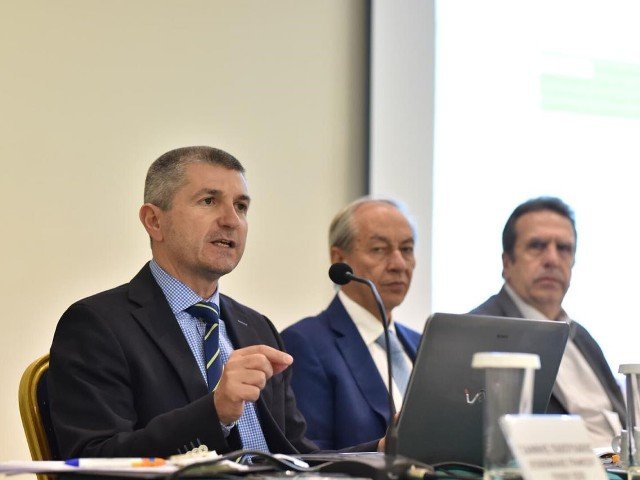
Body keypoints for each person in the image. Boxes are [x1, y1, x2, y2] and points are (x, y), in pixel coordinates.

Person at [48, 146, 380, 459]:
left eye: (241, 206)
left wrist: (380, 450)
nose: (231, 220)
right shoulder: (98, 325)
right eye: (209, 201)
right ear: (154, 221)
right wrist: (214, 412)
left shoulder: (257, 327)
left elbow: (296, 457)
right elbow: (94, 460)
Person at [471, 196, 625, 447]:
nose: (552, 259)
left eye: (563, 248)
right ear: (507, 263)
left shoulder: (582, 337)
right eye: (537, 246)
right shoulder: (479, 332)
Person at [281, 198, 421, 450]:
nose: (399, 264)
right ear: (339, 259)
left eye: (407, 249)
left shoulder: (421, 343)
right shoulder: (305, 343)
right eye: (379, 249)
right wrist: (379, 449)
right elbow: (308, 457)